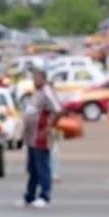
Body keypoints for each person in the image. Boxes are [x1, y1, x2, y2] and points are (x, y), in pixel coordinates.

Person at [19, 66, 63, 208]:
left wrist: (49, 127)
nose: (34, 81)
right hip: (31, 137)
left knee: (42, 167)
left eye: (37, 78)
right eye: (33, 78)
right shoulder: (37, 93)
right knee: (32, 168)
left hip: (41, 136)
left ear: (43, 79)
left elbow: (58, 110)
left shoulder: (47, 92)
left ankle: (45, 195)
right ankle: (29, 196)